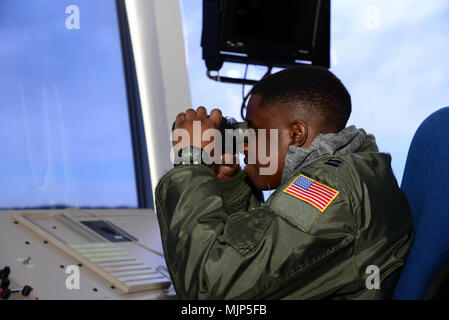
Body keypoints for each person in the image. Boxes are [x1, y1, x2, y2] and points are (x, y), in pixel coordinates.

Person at [155, 65, 414, 299]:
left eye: (255, 130)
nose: (245, 144)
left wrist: (190, 159)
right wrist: (231, 186)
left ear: (296, 134)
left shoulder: (329, 191)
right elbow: (261, 251)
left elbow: (211, 290)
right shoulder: (343, 176)